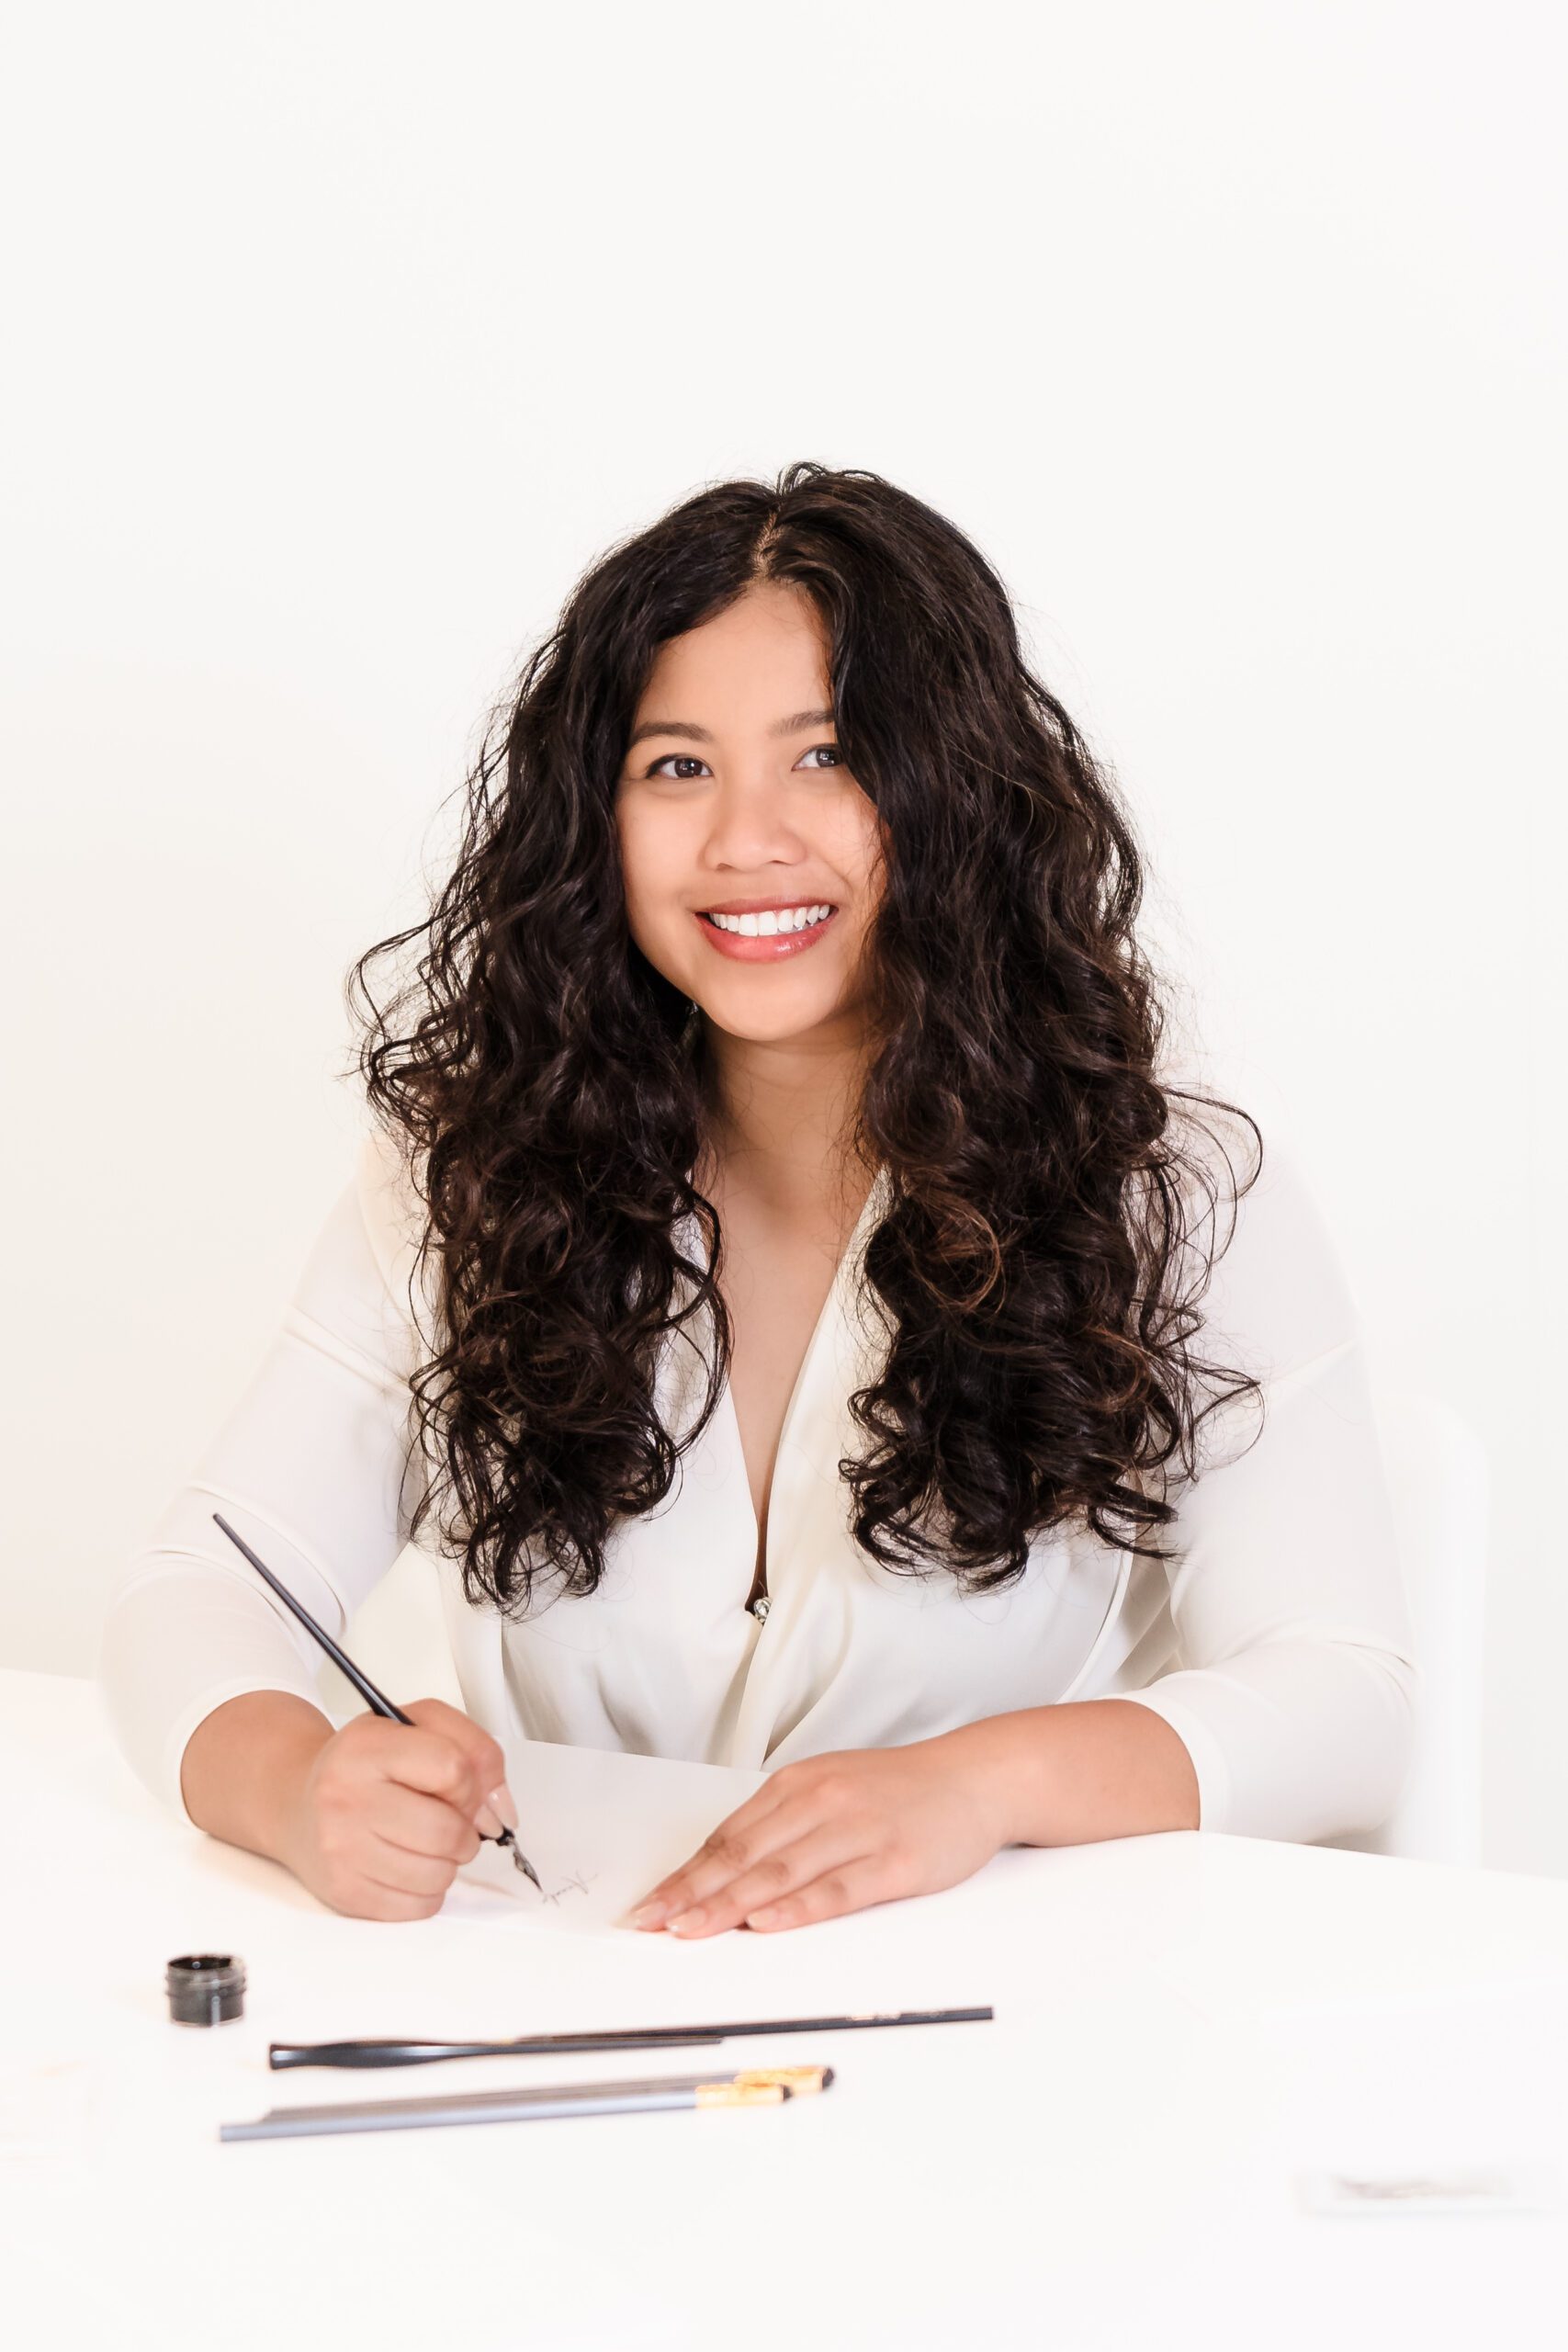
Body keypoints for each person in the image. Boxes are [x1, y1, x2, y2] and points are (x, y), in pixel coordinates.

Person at [97, 461, 1418, 1932]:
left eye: (828, 756)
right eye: (677, 766)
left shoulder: (1171, 1193)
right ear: (594, 823)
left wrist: (977, 1788)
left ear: (957, 792)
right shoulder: (470, 1176)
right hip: (560, 2000)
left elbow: (1346, 1695)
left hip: (993, 2032)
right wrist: (296, 1789)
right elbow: (194, 1589)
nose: (744, 839)